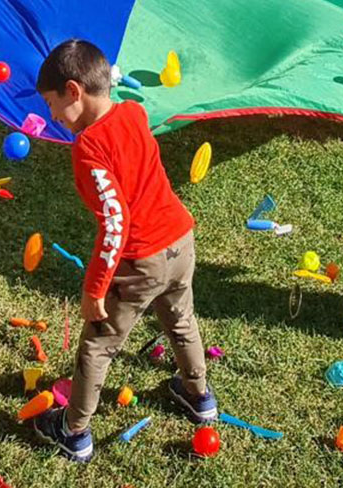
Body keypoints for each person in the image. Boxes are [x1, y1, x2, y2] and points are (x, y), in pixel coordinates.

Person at [30, 39, 214, 462]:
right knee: (181, 320)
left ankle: (74, 431)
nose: (52, 116)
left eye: (52, 104)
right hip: (181, 242)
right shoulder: (134, 111)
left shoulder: (88, 148)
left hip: (142, 260)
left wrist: (95, 289)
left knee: (98, 345)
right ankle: (199, 396)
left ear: (74, 91)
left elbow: (116, 224)